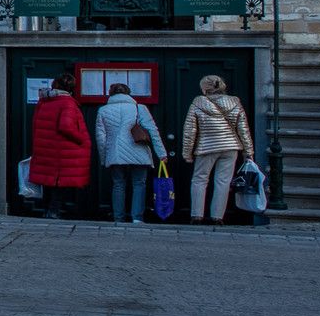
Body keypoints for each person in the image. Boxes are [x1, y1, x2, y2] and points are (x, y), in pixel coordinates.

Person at [182, 74, 253, 225]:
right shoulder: (235, 102)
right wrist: (248, 151)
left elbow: (190, 130)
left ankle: (197, 215)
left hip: (206, 146)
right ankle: (217, 217)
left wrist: (187, 153)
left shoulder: (198, 102)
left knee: (200, 180)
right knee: (223, 182)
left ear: (204, 88)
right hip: (230, 146)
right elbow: (243, 129)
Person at [93, 81, 167, 224]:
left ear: (111, 94)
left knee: (118, 184)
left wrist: (104, 158)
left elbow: (101, 137)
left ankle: (118, 218)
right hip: (138, 150)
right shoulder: (139, 108)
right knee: (139, 183)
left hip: (115, 152)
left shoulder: (103, 110)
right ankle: (137, 218)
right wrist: (161, 153)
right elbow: (153, 131)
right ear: (128, 93)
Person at [29, 77, 91, 219]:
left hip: (46, 148)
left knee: (48, 182)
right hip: (62, 150)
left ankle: (47, 210)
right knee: (59, 182)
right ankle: (53, 212)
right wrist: (82, 138)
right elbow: (66, 126)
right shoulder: (67, 103)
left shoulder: (45, 101)